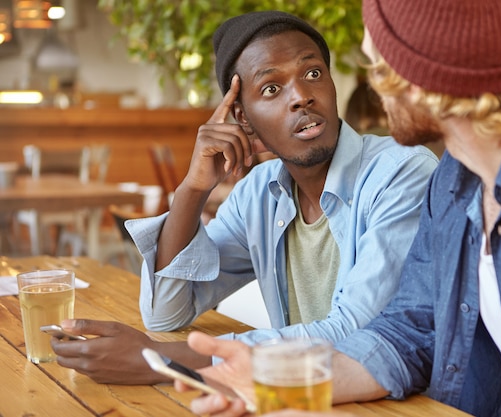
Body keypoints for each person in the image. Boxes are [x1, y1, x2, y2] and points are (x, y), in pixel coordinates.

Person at [175, 0, 501, 416]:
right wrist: (279, 381)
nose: (374, 83)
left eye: (381, 64)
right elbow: (406, 336)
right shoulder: (453, 184)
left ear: (431, 69)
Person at [50, 11, 438, 384]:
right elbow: (167, 313)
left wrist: (162, 361)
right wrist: (193, 188)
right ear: (243, 118)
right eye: (271, 88)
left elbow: (359, 333)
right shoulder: (260, 193)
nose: (301, 96)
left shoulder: (400, 173)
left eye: (313, 73)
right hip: (299, 396)